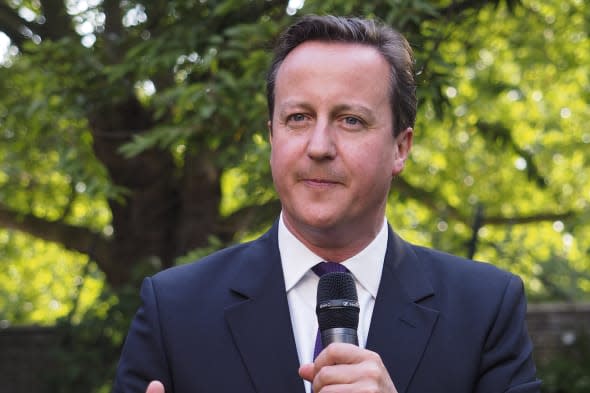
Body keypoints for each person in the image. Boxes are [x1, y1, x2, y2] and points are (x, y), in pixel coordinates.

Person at [113, 15, 541, 393]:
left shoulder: (484, 309)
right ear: (272, 136)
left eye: (350, 120)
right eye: (298, 117)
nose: (319, 146)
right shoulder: (174, 310)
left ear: (400, 148)